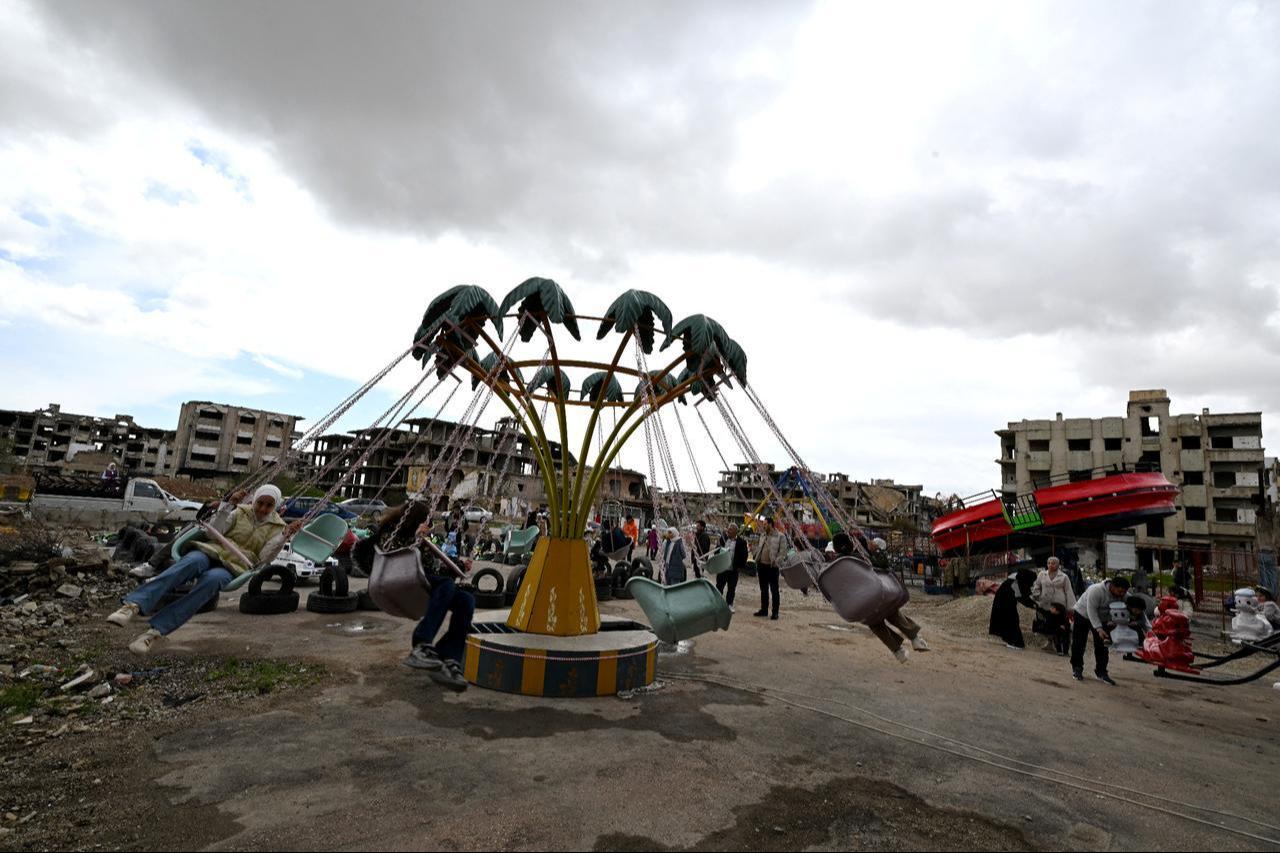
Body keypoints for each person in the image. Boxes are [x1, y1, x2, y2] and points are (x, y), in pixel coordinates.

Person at [106, 485, 301, 655]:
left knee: (211, 581)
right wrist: (226, 508)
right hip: (211, 550)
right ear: (255, 500)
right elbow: (212, 531)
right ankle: (132, 606)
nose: (263, 509)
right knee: (190, 563)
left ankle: (153, 633)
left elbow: (265, 557)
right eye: (260, 503)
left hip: (234, 566)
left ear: (274, 507)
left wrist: (283, 536)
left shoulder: (278, 526)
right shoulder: (240, 512)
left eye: (268, 505)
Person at [353, 502, 472, 692]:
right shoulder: (392, 530)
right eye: (426, 522)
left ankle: (447, 658)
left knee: (466, 600)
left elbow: (431, 566)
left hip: (419, 578)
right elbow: (390, 549)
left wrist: (458, 566)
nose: (428, 526)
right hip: (396, 575)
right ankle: (422, 644)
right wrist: (416, 537)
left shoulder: (422, 539)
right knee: (446, 585)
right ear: (414, 520)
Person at [838, 533, 929, 662]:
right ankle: (914, 638)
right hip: (873, 594)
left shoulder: (836, 565)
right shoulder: (861, 559)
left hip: (858, 602)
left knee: (874, 622)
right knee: (891, 613)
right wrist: (876, 551)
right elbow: (883, 564)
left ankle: (898, 651)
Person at [1070, 576, 1131, 685]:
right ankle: (1077, 668)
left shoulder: (1124, 595)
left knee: (1102, 645)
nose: (1122, 594)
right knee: (1079, 642)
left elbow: (1133, 606)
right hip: (1083, 613)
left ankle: (1101, 672)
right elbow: (1091, 610)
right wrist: (1099, 629)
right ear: (1112, 586)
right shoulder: (1096, 590)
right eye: (1120, 591)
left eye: (1124, 592)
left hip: (1103, 618)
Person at [1031, 557, 1077, 652]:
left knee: (1060, 625)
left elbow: (1069, 591)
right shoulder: (1042, 574)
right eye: (1049, 563)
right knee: (1046, 624)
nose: (1050, 565)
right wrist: (1037, 597)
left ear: (1058, 565)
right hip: (1045, 604)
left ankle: (1062, 646)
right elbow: (1037, 586)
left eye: (1053, 563)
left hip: (1059, 606)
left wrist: (1070, 608)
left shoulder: (1064, 577)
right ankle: (1049, 642)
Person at [989, 567, 1039, 649]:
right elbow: (1021, 596)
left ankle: (1012, 641)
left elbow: (1022, 595)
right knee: (1012, 620)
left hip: (1006, 603)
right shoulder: (1015, 582)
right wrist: (1032, 604)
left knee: (1011, 620)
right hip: (1004, 604)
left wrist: (1032, 604)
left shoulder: (1017, 580)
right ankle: (1015, 642)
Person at [753, 521, 787, 620]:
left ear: (771, 524)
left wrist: (777, 561)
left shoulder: (780, 536)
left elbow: (783, 551)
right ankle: (764, 609)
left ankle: (775, 612)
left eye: (765, 524)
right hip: (761, 565)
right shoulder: (763, 535)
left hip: (772, 567)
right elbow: (759, 547)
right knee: (763, 589)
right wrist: (756, 555)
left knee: (774, 590)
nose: (763, 526)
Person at [715, 524, 746, 609]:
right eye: (728, 529)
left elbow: (744, 556)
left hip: (733, 570)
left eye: (731, 530)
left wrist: (739, 567)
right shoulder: (723, 539)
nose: (728, 531)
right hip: (722, 568)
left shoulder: (741, 542)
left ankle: (729, 604)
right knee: (719, 587)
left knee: (731, 588)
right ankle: (717, 604)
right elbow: (716, 551)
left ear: (736, 531)